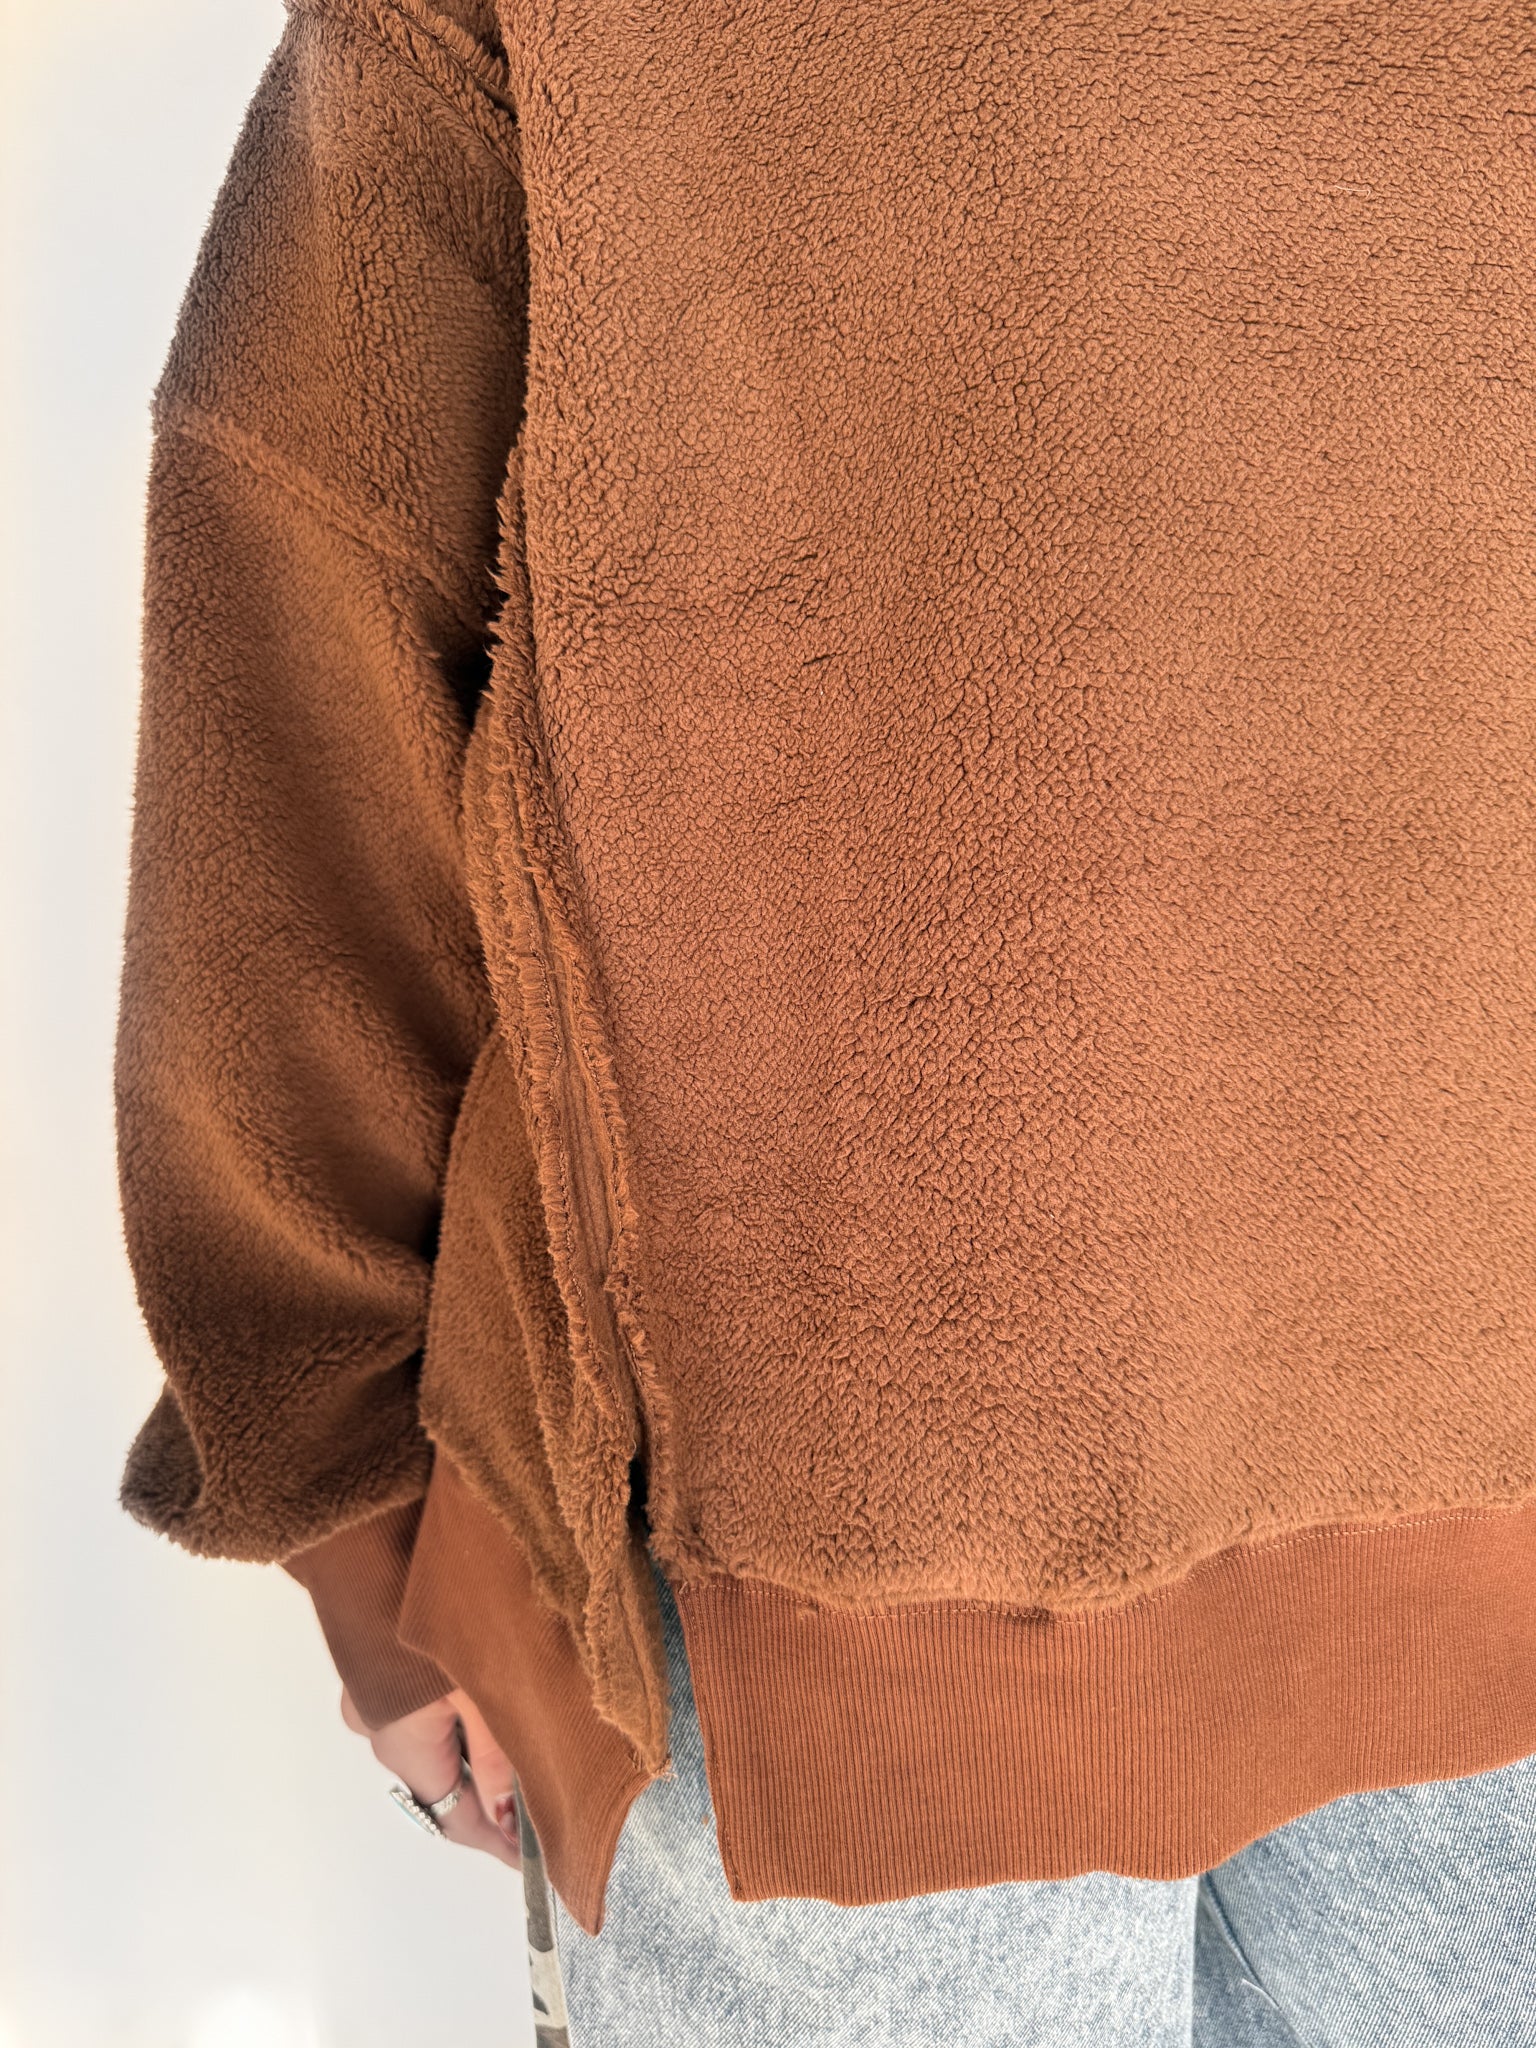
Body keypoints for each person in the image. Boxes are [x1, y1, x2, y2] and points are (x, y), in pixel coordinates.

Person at [113, 2, 1536, 2041]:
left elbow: (301, 630)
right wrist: (342, 1472)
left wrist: (352, 1491)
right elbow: (305, 622)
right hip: (847, 1593)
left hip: (851, 1549)